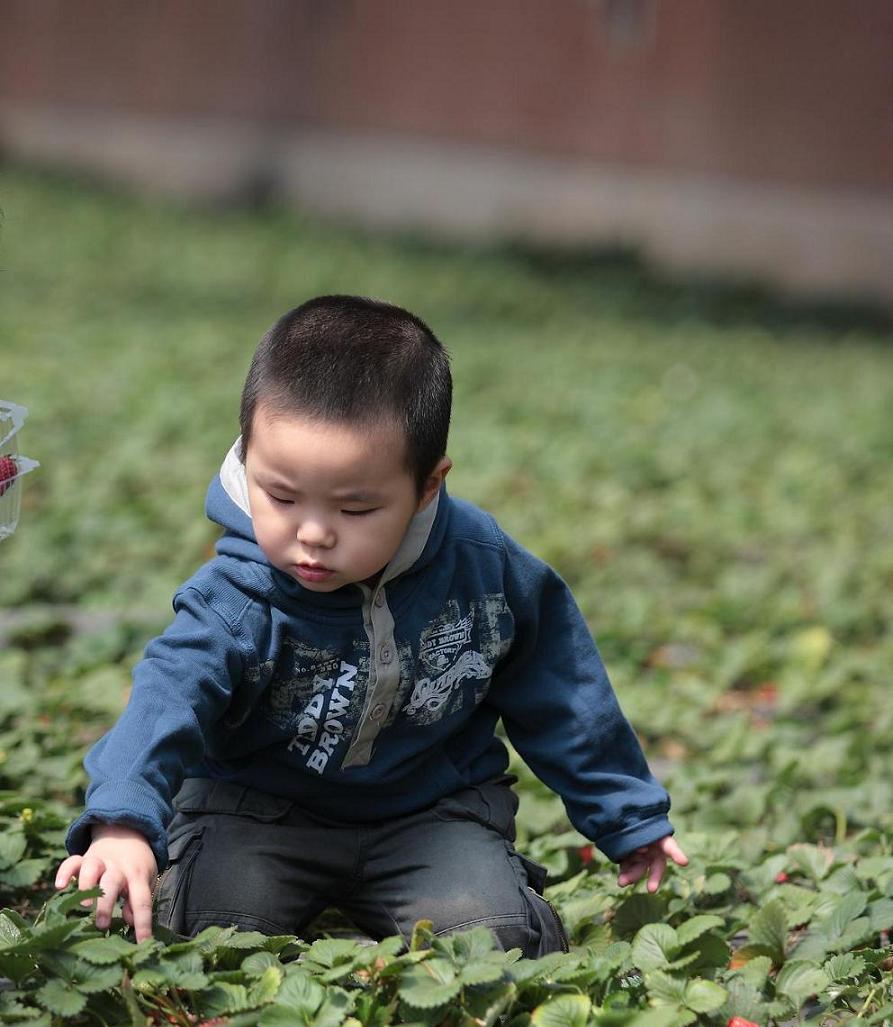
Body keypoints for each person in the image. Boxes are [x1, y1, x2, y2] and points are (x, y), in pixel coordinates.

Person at [55, 295, 687, 955]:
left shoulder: (482, 569)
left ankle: (493, 900)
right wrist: (122, 822)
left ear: (427, 486)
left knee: (495, 942)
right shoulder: (238, 596)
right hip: (256, 812)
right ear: (247, 461)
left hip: (431, 814)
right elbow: (168, 695)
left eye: (355, 508)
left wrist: (626, 814)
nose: (312, 534)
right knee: (211, 933)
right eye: (281, 496)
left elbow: (558, 684)